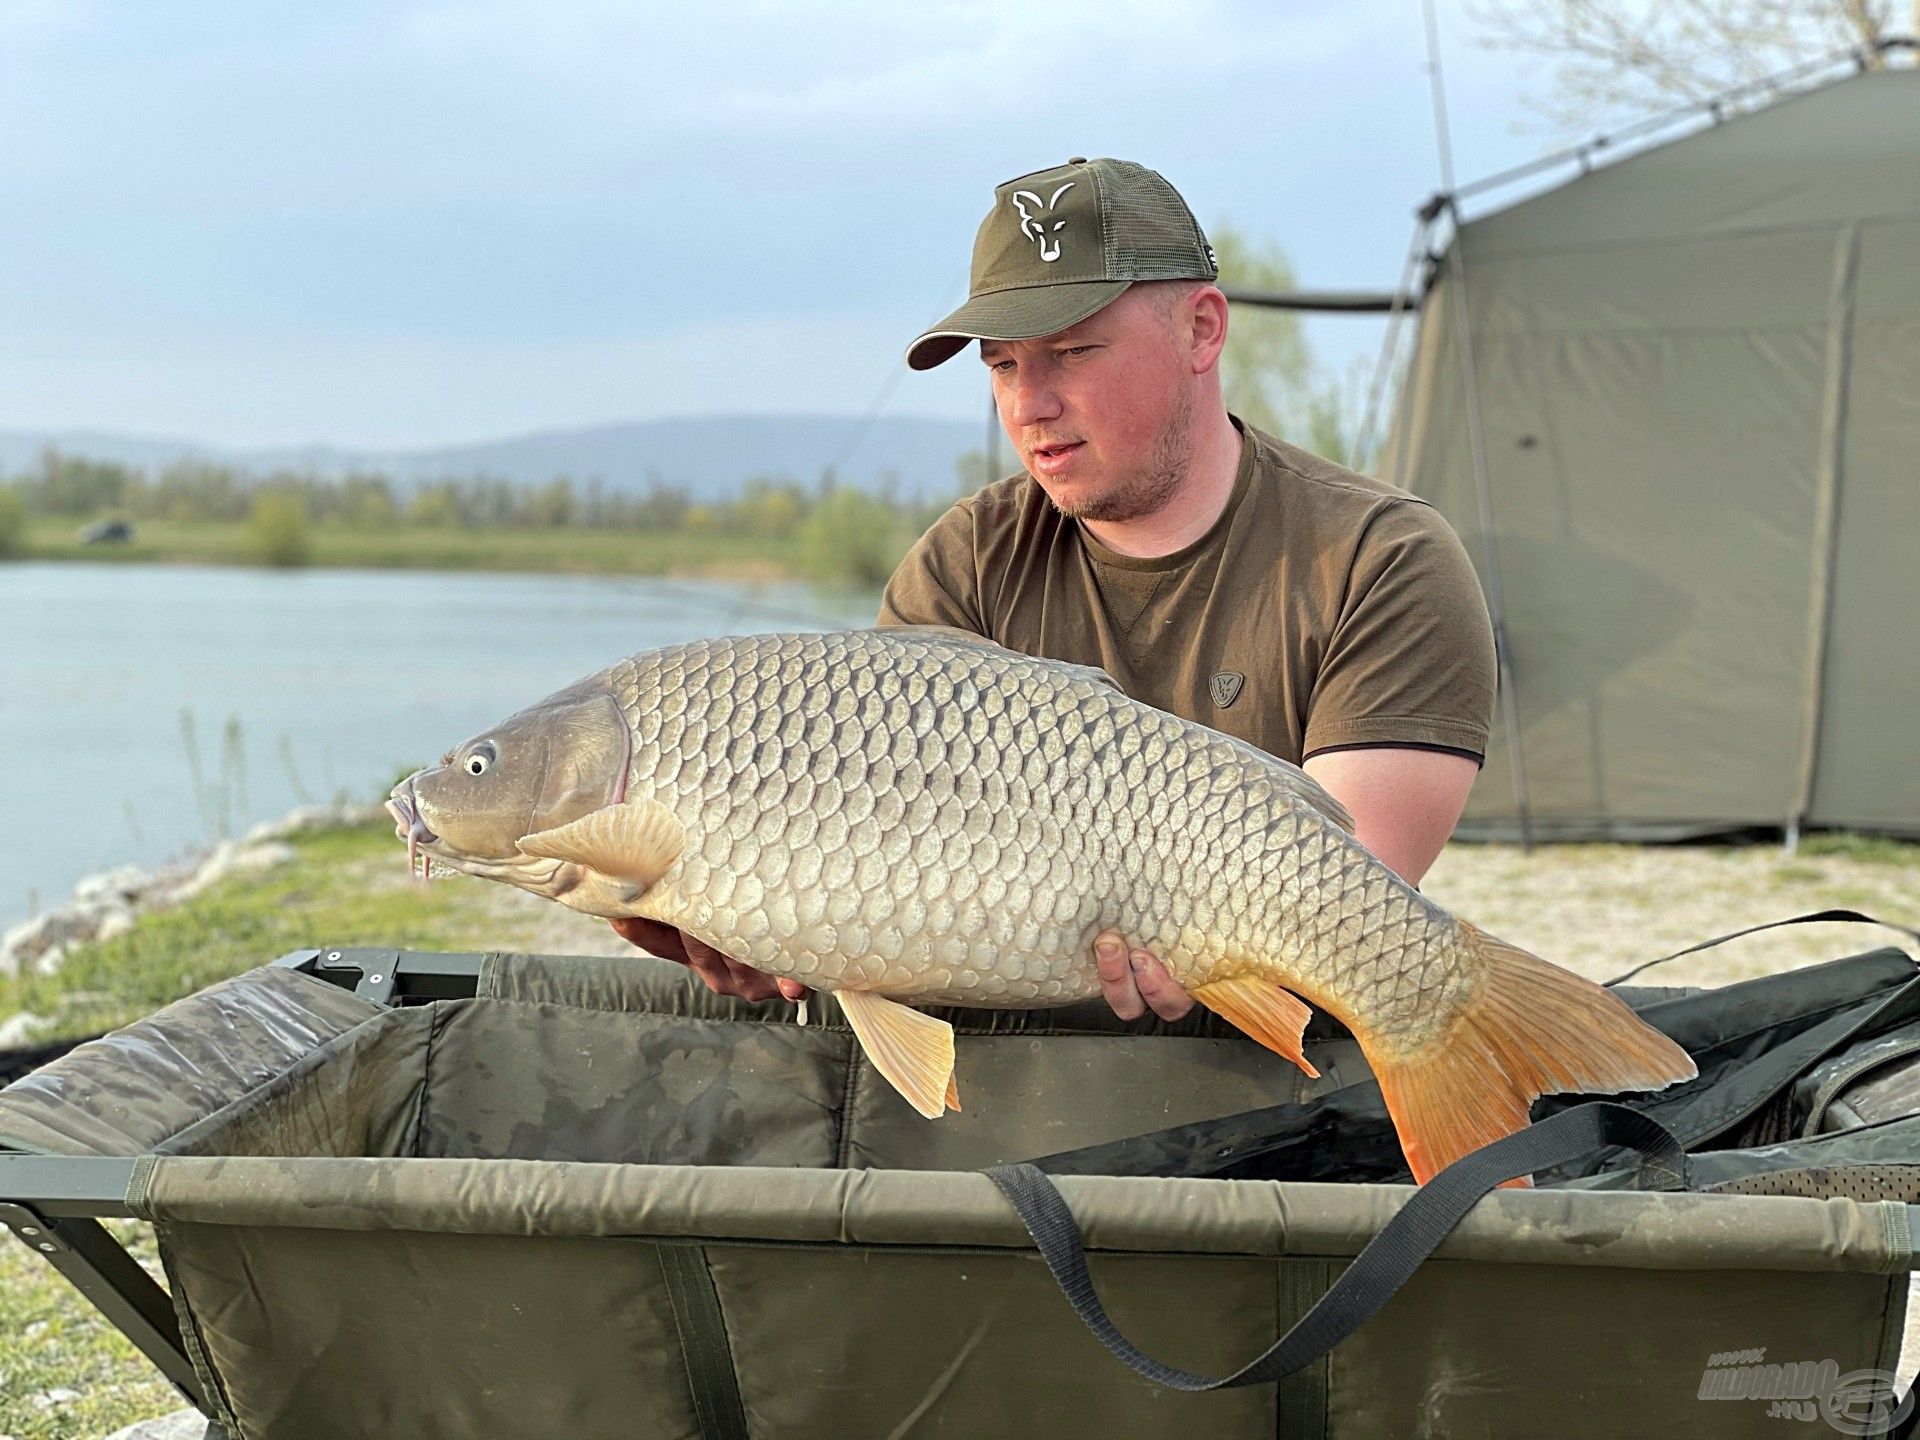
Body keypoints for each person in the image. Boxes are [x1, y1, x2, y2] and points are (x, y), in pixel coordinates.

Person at [615, 156, 1497, 1028]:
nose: (1029, 404)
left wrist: (1208, 949)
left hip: (1278, 1068)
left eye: (1071, 352)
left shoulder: (1380, 559)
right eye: (1002, 366)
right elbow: (874, 868)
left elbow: (1352, 910)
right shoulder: (967, 561)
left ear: (1201, 330)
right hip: (1005, 1071)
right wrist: (775, 931)